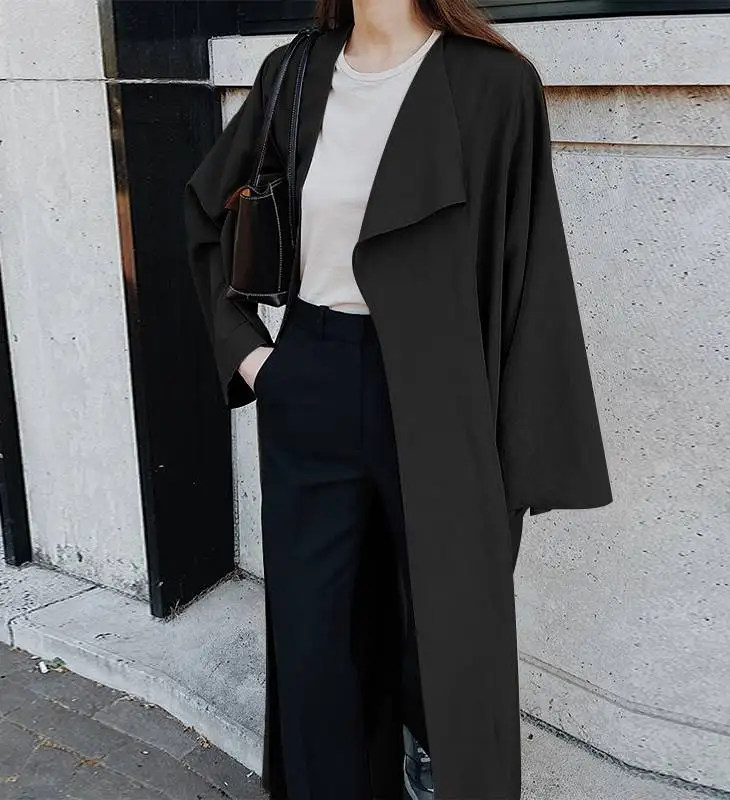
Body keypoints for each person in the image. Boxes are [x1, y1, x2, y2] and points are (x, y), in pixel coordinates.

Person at [183, 0, 614, 796]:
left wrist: (521, 457)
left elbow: (531, 278)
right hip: (310, 378)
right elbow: (207, 212)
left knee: (446, 645)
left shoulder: (495, 86)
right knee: (318, 651)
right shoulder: (293, 73)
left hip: (445, 392)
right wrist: (252, 358)